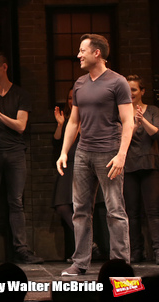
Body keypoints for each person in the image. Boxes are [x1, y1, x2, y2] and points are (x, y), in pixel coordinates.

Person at [57, 34, 134, 276]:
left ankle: (119, 265)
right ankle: (80, 262)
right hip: (83, 153)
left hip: (109, 152)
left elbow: (128, 121)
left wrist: (122, 154)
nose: (78, 55)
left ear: (97, 53)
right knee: (80, 210)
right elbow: (73, 121)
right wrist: (64, 152)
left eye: (82, 50)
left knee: (114, 210)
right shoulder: (80, 83)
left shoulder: (117, 82)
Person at [0, 52, 43, 265]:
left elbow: (20, 126)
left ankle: (21, 250)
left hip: (15, 153)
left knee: (16, 202)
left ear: (4, 67)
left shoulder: (20, 94)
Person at [53, 89, 103, 261]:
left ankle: (84, 249)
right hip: (68, 165)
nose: (71, 101)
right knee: (62, 206)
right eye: (69, 98)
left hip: (83, 164)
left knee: (82, 208)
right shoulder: (67, 120)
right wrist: (61, 124)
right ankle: (88, 243)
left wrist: (79, 125)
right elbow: (57, 141)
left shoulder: (88, 119)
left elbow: (89, 140)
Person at [124, 75, 159, 263]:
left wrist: (142, 120)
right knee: (132, 212)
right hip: (129, 164)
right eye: (128, 89)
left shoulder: (152, 110)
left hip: (149, 163)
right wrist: (132, 124)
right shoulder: (121, 111)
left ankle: (157, 250)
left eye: (134, 89)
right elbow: (118, 139)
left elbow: (156, 133)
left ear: (142, 91)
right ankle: (136, 251)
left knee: (153, 211)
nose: (131, 93)